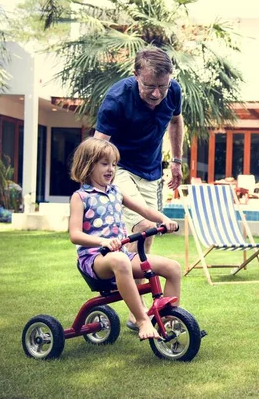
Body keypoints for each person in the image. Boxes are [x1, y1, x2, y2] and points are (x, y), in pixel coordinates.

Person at [94, 46, 184, 330]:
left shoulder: (174, 92)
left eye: (162, 86)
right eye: (149, 86)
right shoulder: (117, 99)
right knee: (144, 222)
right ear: (135, 76)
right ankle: (137, 314)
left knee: (144, 237)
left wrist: (177, 162)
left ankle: (137, 303)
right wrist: (97, 186)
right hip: (118, 167)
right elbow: (99, 145)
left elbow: (176, 122)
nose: (157, 94)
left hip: (152, 170)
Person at [68, 138, 181, 340]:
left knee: (172, 267)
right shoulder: (81, 197)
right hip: (95, 260)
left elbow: (144, 209)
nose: (111, 169)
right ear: (87, 165)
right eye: (104, 164)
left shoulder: (116, 192)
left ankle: (169, 322)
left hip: (120, 255)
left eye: (113, 164)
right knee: (120, 259)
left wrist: (164, 219)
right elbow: (74, 235)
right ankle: (142, 320)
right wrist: (102, 242)